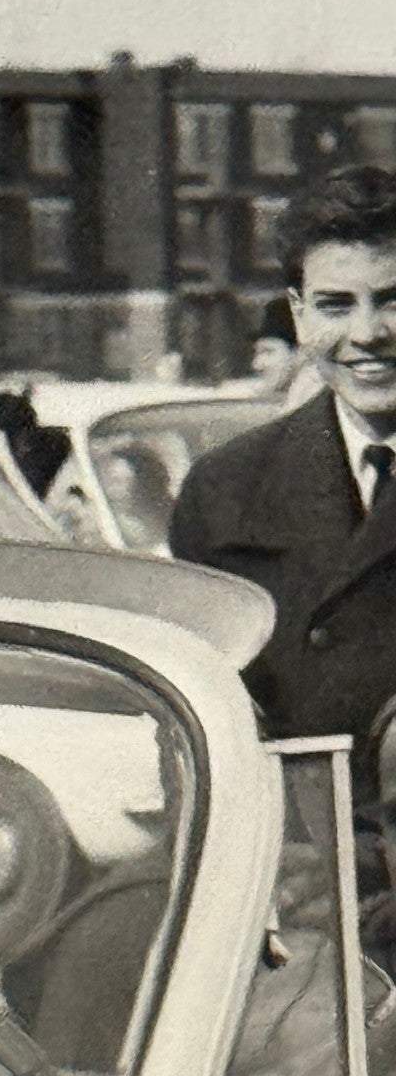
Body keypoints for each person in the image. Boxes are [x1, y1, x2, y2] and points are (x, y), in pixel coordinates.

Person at [169, 165, 396, 793]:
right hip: (309, 876)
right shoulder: (224, 493)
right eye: (335, 305)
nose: (368, 334)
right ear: (298, 316)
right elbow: (200, 744)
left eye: (392, 299)